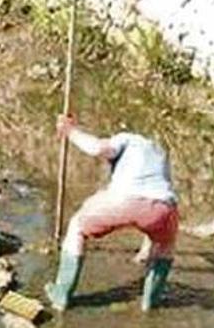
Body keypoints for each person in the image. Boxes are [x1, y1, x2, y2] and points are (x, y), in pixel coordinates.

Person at [45, 115, 179, 312]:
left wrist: (70, 131)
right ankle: (150, 303)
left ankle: (61, 295)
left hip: (123, 199)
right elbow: (154, 198)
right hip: (163, 209)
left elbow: (98, 149)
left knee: (77, 227)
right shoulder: (159, 152)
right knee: (166, 245)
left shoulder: (128, 139)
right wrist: (144, 252)